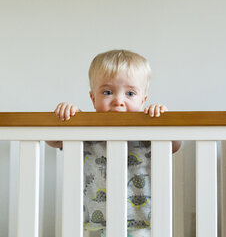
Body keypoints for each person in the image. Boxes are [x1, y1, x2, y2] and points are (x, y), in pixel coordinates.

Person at [47, 49, 181, 237]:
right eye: (108, 92)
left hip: (142, 219)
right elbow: (52, 140)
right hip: (99, 220)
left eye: (130, 93)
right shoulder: (86, 130)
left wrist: (163, 123)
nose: (118, 101)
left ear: (143, 100)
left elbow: (174, 146)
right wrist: (68, 119)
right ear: (93, 98)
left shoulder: (148, 130)